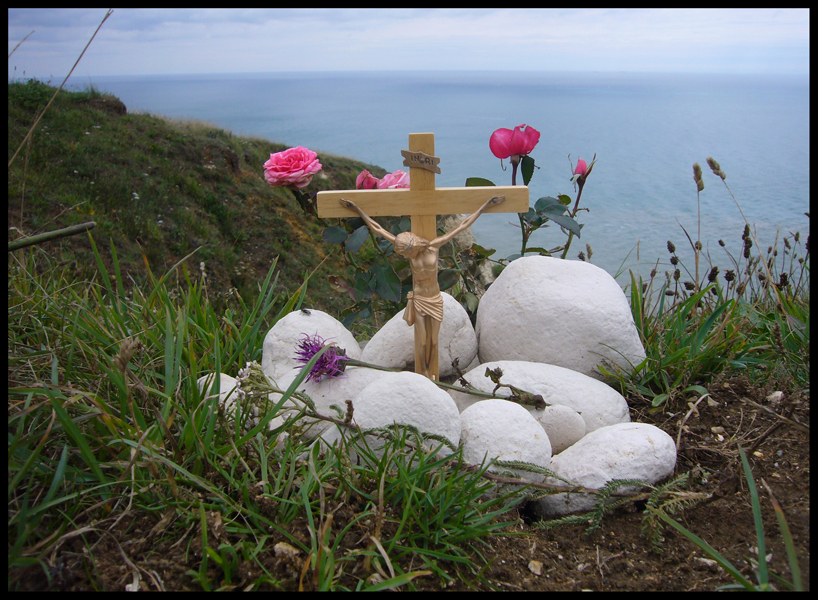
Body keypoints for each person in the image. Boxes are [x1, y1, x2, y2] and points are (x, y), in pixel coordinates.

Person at [339, 195, 505, 379]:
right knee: (422, 342)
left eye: (408, 251)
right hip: (418, 300)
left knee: (433, 341)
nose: (408, 255)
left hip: (434, 299)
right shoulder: (411, 254)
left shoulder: (434, 246)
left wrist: (485, 206)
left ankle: (430, 374)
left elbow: (462, 225)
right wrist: (357, 209)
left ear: (414, 244)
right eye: (406, 253)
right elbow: (377, 229)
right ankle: (423, 374)